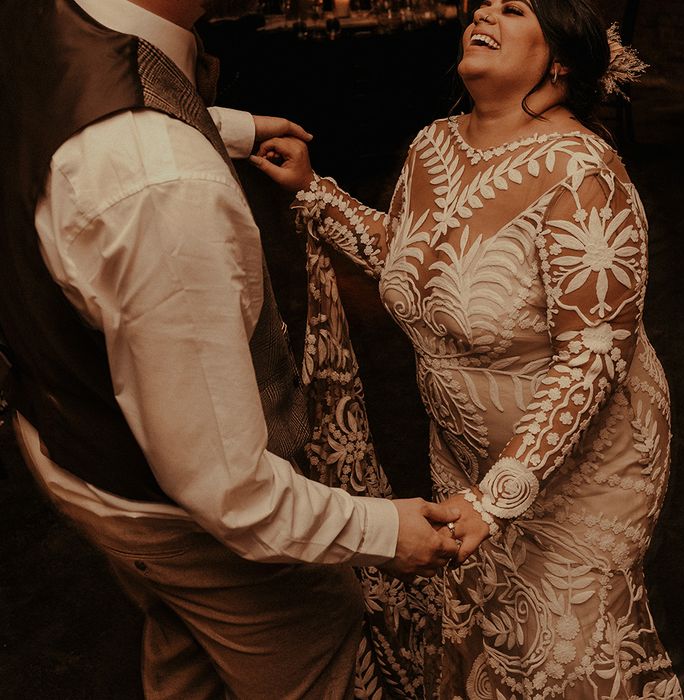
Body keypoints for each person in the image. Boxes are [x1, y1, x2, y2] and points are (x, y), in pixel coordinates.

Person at [0, 0, 462, 697]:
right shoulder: (163, 187)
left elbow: (87, 118)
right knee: (310, 635)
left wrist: (226, 130)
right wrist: (385, 530)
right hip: (173, 517)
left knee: (188, 649)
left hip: (74, 447)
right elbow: (231, 494)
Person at [252, 0, 684, 697]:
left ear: (561, 59)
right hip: (461, 451)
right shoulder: (434, 145)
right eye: (485, 3)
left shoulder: (585, 173)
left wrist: (499, 497)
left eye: (513, 9)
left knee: (563, 655)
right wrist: (315, 191)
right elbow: (412, 263)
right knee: (487, 632)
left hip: (587, 463)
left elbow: (594, 355)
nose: (485, 11)